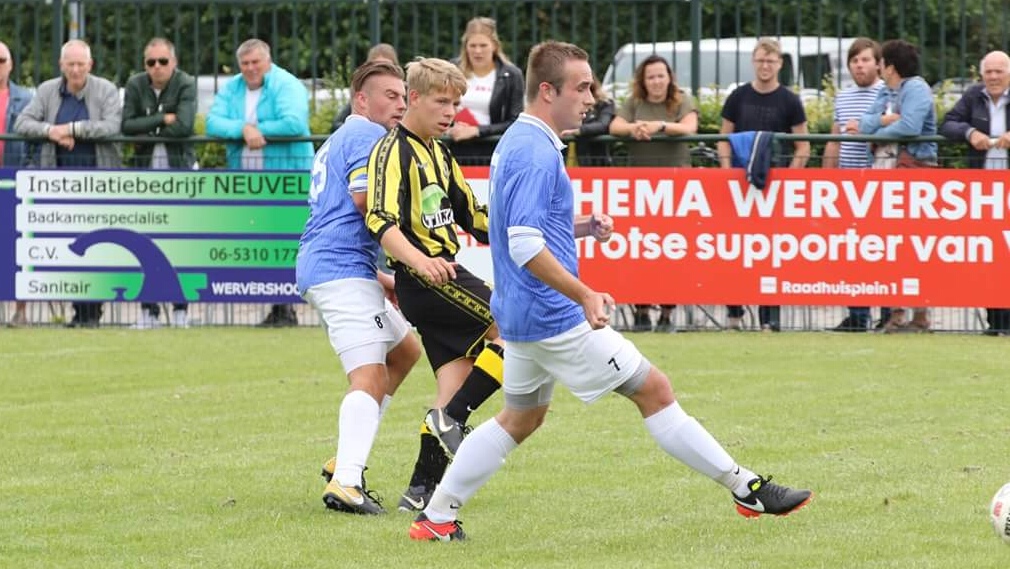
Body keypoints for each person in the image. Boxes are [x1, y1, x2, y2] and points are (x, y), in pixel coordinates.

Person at [408, 40, 812, 542]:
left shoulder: (519, 139)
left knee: (520, 418)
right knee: (655, 391)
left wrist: (578, 227)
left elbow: (519, 225)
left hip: (520, 315)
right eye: (582, 87)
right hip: (553, 317)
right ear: (549, 90)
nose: (591, 97)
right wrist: (584, 294)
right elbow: (524, 244)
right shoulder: (535, 151)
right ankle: (744, 487)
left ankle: (438, 517)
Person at [365, 57, 507, 512]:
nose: (451, 112)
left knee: (453, 383)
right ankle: (455, 419)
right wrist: (421, 262)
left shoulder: (440, 152)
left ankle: (419, 491)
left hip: (440, 274)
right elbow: (379, 219)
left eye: (457, 103)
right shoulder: (392, 151)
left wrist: (558, 226)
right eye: (442, 102)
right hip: (426, 278)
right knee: (513, 324)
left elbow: (476, 219)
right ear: (414, 99)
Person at [297, 60, 422, 514]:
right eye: (391, 95)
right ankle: (346, 483)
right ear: (361, 101)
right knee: (368, 374)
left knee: (404, 351)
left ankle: (346, 459)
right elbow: (365, 201)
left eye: (404, 96)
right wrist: (419, 237)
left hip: (345, 267)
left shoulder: (340, 137)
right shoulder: (369, 136)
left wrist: (381, 275)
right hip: (338, 269)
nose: (401, 104)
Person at [15, 39, 122, 329]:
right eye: (70, 64)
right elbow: (22, 124)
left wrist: (73, 129)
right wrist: (51, 131)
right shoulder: (48, 91)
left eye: (81, 64)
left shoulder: (106, 90)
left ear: (91, 65)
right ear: (62, 65)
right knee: (72, 249)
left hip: (99, 184)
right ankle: (79, 312)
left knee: (99, 249)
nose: (75, 70)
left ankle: (92, 313)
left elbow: (111, 127)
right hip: (59, 185)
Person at [206, 38, 313, 328]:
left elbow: (294, 123)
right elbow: (212, 122)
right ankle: (278, 307)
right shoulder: (233, 87)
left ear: (268, 60)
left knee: (288, 241)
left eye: (256, 62)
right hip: (248, 181)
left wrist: (258, 130)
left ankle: (287, 307)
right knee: (262, 242)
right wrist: (244, 129)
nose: (251, 69)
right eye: (245, 64)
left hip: (286, 178)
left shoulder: (287, 84)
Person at [718, 38, 809, 333]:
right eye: (760, 60)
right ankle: (734, 312)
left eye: (771, 61)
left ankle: (770, 319)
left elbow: (803, 147)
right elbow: (724, 138)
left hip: (774, 189)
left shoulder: (790, 100)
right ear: (753, 62)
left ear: (780, 63)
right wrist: (727, 172)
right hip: (738, 187)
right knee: (734, 250)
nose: (765, 66)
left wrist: (788, 180)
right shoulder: (737, 96)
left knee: (772, 254)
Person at [610, 54, 699, 332]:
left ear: (669, 77)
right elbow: (615, 126)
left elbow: (689, 127)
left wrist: (659, 127)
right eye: (651, 77)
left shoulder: (683, 100)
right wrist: (634, 128)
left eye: (661, 76)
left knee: (673, 248)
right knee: (641, 247)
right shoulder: (634, 102)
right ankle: (642, 307)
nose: (657, 81)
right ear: (643, 80)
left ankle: (668, 310)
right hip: (641, 187)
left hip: (675, 187)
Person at [858, 39, 937, 333]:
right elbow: (862, 124)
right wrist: (882, 120)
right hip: (888, 169)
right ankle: (896, 312)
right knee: (890, 244)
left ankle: (919, 314)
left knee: (914, 245)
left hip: (913, 170)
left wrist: (878, 127)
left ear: (889, 66)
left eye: (880, 62)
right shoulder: (888, 91)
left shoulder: (915, 88)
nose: (878, 66)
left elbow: (910, 127)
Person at [122, 37, 197, 329]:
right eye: (151, 62)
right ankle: (148, 310)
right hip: (144, 175)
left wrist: (150, 125)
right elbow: (126, 126)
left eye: (162, 61)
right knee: (145, 240)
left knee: (180, 241)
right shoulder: (135, 85)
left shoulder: (186, 83)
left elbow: (184, 126)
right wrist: (161, 119)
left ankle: (181, 309)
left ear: (173, 62)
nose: (156, 67)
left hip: (179, 173)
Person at [939, 50, 1010, 336]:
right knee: (989, 256)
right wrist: (970, 133)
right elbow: (947, 123)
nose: (993, 77)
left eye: (999, 71)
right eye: (988, 72)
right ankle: (996, 321)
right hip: (983, 191)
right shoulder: (973, 95)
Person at [822, 38, 884, 333]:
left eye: (866, 60)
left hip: (876, 182)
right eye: (855, 60)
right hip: (846, 184)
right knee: (851, 251)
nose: (860, 65)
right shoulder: (843, 97)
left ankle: (887, 311)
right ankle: (857, 314)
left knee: (881, 251)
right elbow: (834, 139)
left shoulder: (885, 94)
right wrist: (827, 177)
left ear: (878, 63)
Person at [446, 17, 524, 165]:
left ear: (494, 46)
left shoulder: (512, 75)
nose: (477, 51)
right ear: (465, 46)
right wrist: (448, 127)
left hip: (492, 149)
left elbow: (515, 121)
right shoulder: (452, 69)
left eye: (483, 45)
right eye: (473, 45)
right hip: (455, 147)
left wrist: (478, 130)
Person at [0, 40, 34, 328]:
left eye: (1, 60)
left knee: (19, 248)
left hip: (13, 179)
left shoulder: (26, 98)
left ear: (11, 65)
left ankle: (20, 310)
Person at [331, 43, 399, 132]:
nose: (382, 72)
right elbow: (337, 124)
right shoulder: (363, 95)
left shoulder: (403, 96)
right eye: (377, 67)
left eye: (387, 67)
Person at [560, 78, 615, 166]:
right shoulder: (562, 104)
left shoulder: (604, 103)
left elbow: (603, 125)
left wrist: (579, 131)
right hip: (564, 161)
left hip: (595, 163)